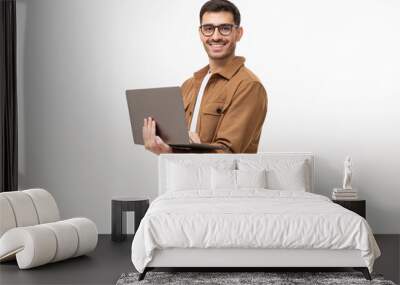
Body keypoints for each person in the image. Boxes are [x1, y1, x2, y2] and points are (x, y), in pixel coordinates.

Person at [143, 0, 267, 155]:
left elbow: (226, 155)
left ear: (238, 33)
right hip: (182, 177)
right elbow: (178, 143)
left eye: (225, 28)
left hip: (224, 180)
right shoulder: (189, 85)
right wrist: (163, 145)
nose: (215, 36)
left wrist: (172, 153)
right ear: (201, 33)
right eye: (208, 28)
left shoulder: (249, 86)